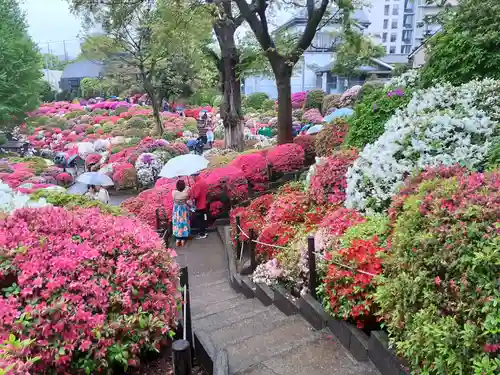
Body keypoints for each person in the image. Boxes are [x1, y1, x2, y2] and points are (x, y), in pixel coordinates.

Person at [172, 179, 191, 247]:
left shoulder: (173, 193)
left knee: (177, 223)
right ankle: (183, 239)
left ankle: (177, 239)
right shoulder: (185, 194)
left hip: (176, 210)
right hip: (183, 209)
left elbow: (174, 197)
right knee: (183, 223)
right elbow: (188, 201)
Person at [190, 173, 208, 239]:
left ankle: (202, 234)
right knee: (204, 219)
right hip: (204, 203)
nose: (192, 178)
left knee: (200, 220)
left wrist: (192, 191)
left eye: (192, 176)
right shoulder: (203, 181)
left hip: (199, 205)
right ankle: (204, 232)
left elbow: (196, 196)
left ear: (195, 176)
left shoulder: (197, 184)